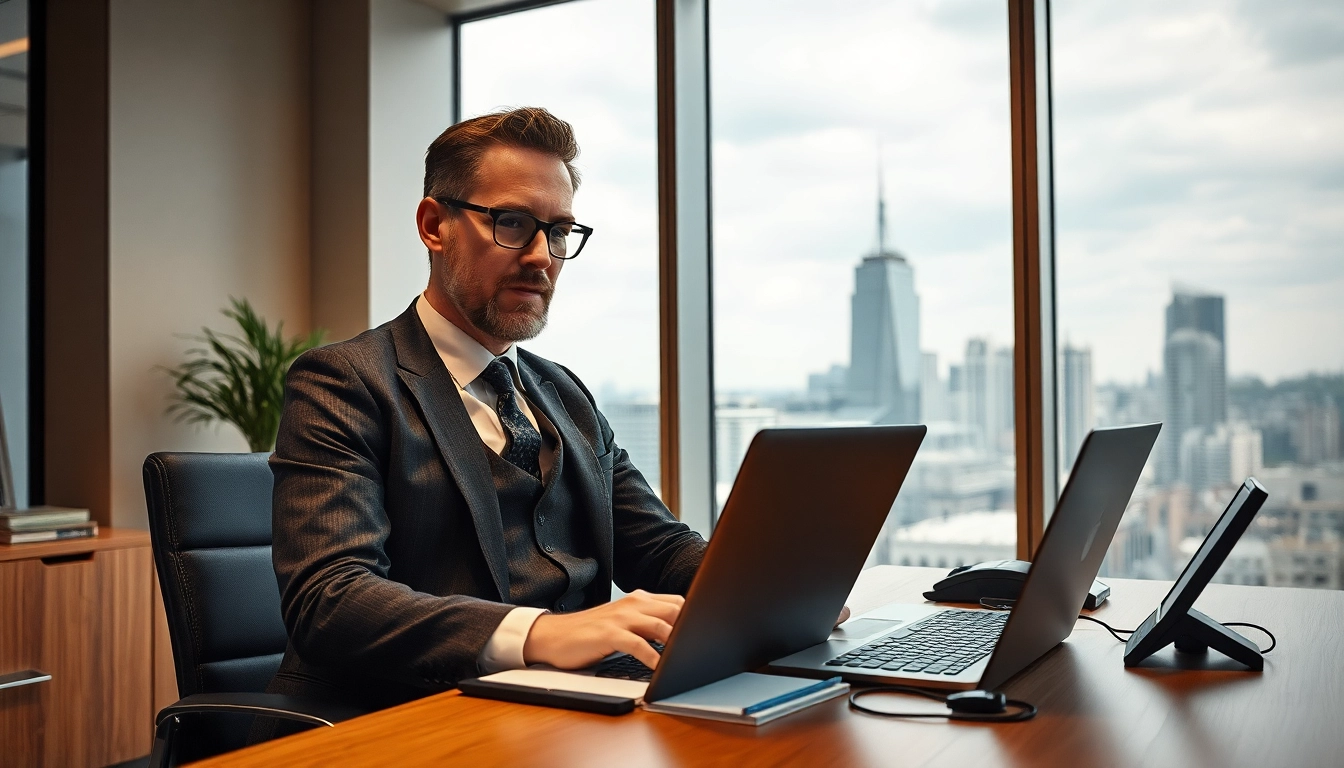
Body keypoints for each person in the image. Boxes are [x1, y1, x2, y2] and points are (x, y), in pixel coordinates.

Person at [264, 107, 708, 713]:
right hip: (416, 716)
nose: (541, 257)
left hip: (585, 706)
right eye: (512, 222)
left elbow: (656, 548)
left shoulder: (566, 395)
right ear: (433, 225)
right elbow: (331, 599)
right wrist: (541, 634)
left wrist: (765, 590)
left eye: (557, 232)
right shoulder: (344, 382)